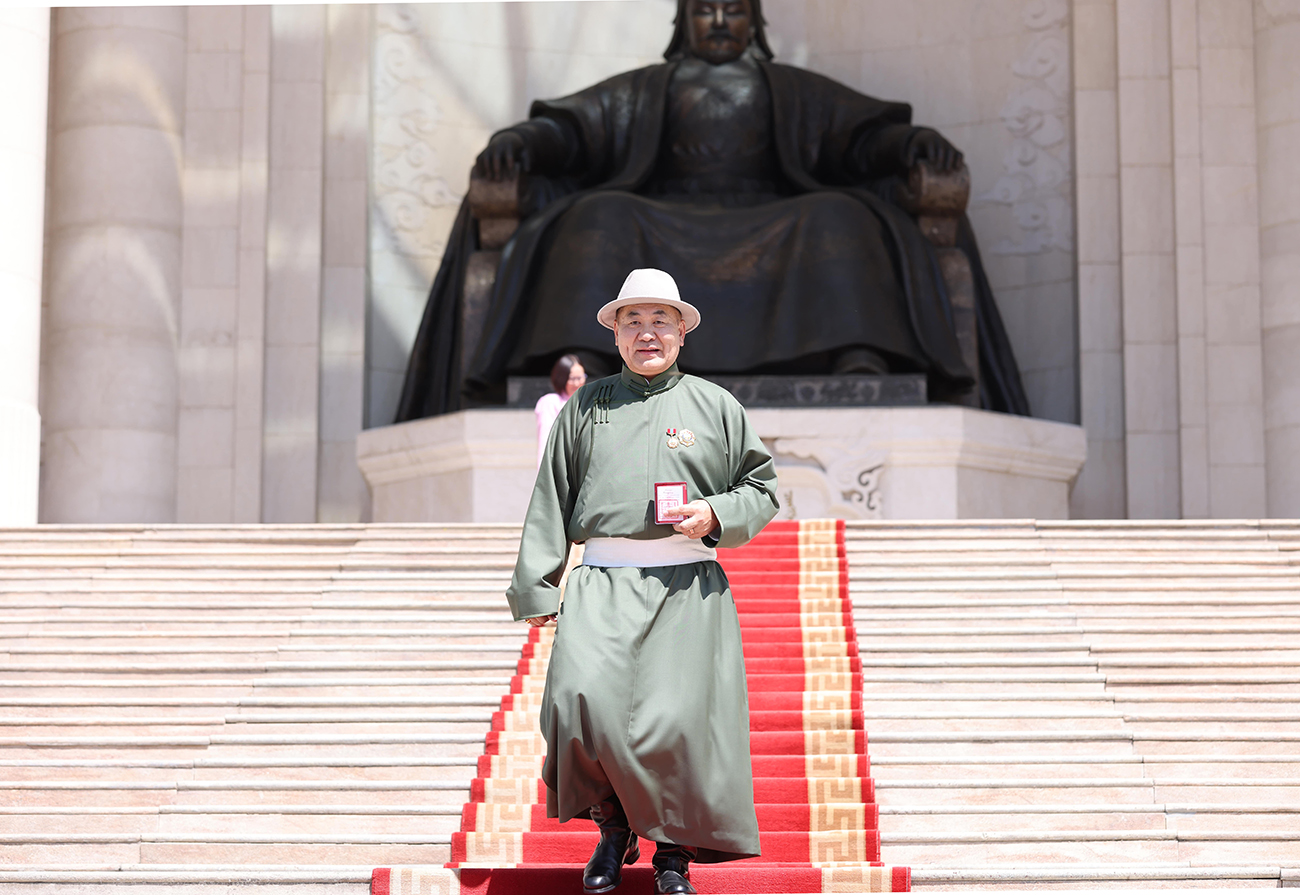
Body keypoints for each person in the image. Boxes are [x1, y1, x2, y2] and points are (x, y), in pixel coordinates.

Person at [394, 0, 1031, 423]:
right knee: (598, 216)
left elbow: (861, 140)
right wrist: (519, 143)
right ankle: (582, 361)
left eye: (733, 9)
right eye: (706, 9)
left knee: (839, 216)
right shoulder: (649, 88)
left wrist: (909, 145)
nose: (721, 20)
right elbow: (573, 131)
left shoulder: (788, 89)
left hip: (773, 216)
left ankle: (854, 354)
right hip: (661, 216)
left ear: (754, 21)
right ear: (684, 21)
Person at [506, 268, 779, 895]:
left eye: (660, 320)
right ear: (616, 334)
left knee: (676, 722)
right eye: (633, 320)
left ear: (682, 331)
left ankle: (671, 853)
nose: (647, 333)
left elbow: (762, 488)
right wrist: (538, 586)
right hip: (601, 580)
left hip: (687, 585)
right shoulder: (587, 406)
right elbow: (551, 496)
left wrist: (717, 514)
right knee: (580, 708)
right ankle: (613, 824)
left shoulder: (715, 406)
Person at [536, 354, 587, 466]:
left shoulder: (588, 401)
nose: (577, 383)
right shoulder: (550, 402)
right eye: (572, 378)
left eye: (581, 377)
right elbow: (545, 441)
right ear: (562, 379)